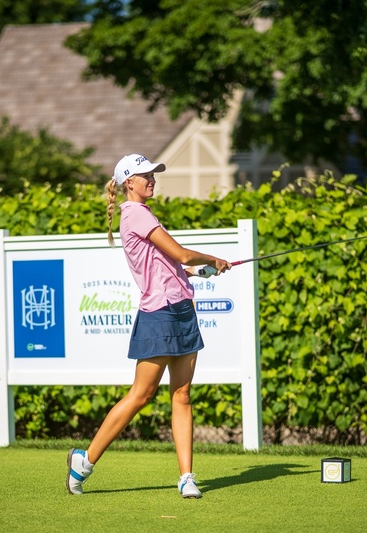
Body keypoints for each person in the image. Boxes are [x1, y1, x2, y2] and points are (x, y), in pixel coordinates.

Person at [66, 154, 232, 499]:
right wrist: (213, 259)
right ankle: (85, 461)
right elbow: (182, 254)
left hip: (182, 309)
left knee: (182, 395)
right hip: (159, 314)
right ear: (129, 182)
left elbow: (170, 264)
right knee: (141, 395)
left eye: (153, 174)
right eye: (146, 175)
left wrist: (196, 272)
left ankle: (187, 477)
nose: (152, 179)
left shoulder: (144, 214)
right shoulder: (136, 214)